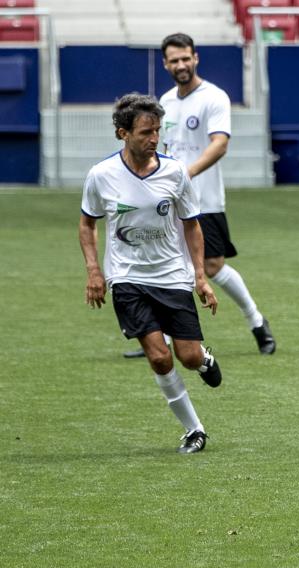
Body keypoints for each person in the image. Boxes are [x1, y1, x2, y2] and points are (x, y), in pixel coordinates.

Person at [80, 93, 222, 454]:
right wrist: (95, 271)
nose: (154, 138)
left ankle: (204, 359)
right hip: (127, 278)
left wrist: (200, 278)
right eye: (146, 132)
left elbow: (192, 225)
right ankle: (194, 430)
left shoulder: (175, 173)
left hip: (171, 276)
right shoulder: (101, 175)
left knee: (188, 357)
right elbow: (87, 223)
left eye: (157, 131)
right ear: (122, 133)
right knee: (159, 356)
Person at [124, 32, 275, 358]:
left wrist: (184, 176)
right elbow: (160, 149)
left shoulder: (213, 97)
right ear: (165, 63)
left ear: (195, 58)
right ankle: (158, 337)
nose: (181, 64)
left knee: (212, 265)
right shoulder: (164, 102)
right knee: (163, 264)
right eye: (174, 60)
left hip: (204, 200)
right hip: (166, 202)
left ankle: (257, 321)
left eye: (185, 58)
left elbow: (219, 144)